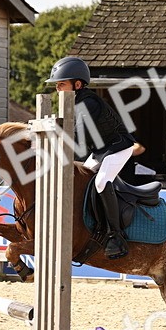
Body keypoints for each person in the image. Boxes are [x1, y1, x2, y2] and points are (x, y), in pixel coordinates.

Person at [46, 56, 139, 259]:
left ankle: (116, 235)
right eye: (57, 85)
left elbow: (78, 139)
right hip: (101, 150)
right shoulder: (74, 104)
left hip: (119, 147)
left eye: (62, 84)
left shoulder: (88, 103)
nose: (58, 89)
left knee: (100, 182)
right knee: (82, 180)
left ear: (77, 84)